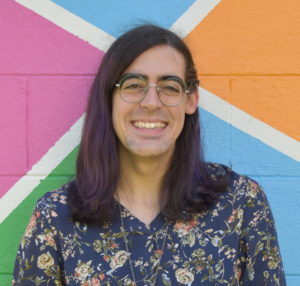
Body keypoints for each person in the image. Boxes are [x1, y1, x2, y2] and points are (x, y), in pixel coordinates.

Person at [13, 25, 286, 285]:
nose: (151, 102)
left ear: (191, 100)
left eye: (169, 87)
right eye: (133, 85)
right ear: (108, 98)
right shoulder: (56, 216)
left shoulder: (240, 203)